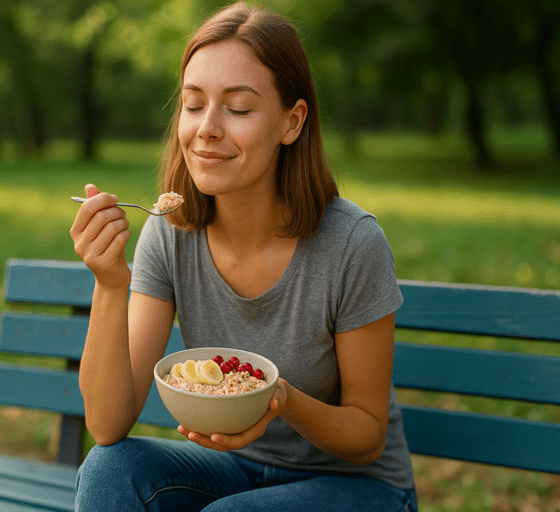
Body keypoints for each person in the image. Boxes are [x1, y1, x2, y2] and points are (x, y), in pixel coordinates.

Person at [69, 2, 418, 511]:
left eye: (237, 108)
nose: (207, 128)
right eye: (193, 104)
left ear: (292, 122)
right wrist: (109, 284)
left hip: (361, 488)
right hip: (234, 472)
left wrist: (280, 399)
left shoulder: (351, 243)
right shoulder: (170, 234)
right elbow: (106, 423)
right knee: (110, 469)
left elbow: (367, 436)